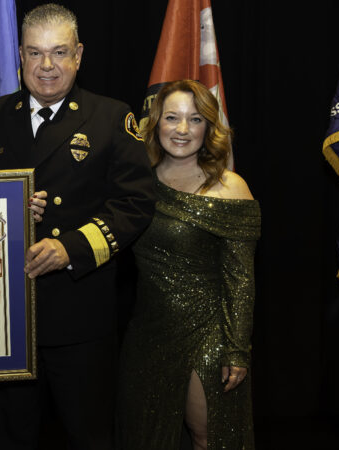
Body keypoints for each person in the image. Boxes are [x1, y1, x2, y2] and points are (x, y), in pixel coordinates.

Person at [0, 4, 156, 449]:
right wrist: (5, 212)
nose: (47, 66)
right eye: (35, 53)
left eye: (58, 52)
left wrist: (70, 248)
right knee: (11, 436)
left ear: (79, 54)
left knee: (88, 435)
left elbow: (136, 202)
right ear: (19, 54)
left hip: (79, 314)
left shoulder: (111, 117)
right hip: (7, 316)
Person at [116, 79, 260, 449]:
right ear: (156, 123)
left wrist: (236, 350)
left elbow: (240, 281)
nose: (182, 129)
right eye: (172, 118)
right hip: (147, 334)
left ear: (208, 127)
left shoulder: (229, 188)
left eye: (195, 119)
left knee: (207, 436)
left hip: (207, 336)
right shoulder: (136, 184)